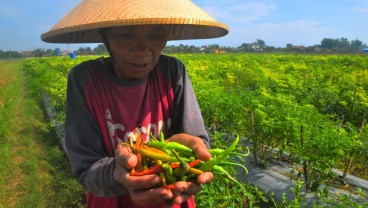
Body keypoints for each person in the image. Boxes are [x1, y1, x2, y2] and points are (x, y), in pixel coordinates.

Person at [41, 0, 228, 207]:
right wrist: (118, 173)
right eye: (126, 33)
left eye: (157, 34)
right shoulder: (85, 80)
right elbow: (85, 168)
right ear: (105, 35)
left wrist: (194, 161)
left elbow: (198, 144)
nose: (142, 49)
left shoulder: (173, 72)